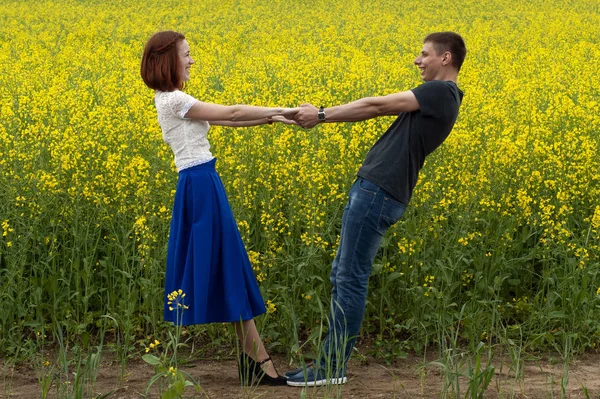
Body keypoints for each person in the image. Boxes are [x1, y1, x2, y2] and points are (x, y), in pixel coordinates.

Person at [285, 31, 467, 387]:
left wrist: (321, 114)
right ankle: (330, 363)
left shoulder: (441, 92)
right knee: (344, 275)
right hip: (380, 192)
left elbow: (376, 105)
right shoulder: (442, 97)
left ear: (446, 58)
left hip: (378, 194)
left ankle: (332, 366)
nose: (417, 60)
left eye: (424, 53)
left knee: (349, 278)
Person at [140, 30, 297, 386]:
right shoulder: (172, 99)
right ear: (168, 60)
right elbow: (233, 110)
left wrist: (273, 119)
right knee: (227, 265)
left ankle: (256, 360)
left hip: (203, 182)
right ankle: (259, 362)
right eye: (186, 54)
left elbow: (230, 119)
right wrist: (281, 109)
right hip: (199, 186)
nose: (192, 60)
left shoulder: (174, 99)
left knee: (229, 266)